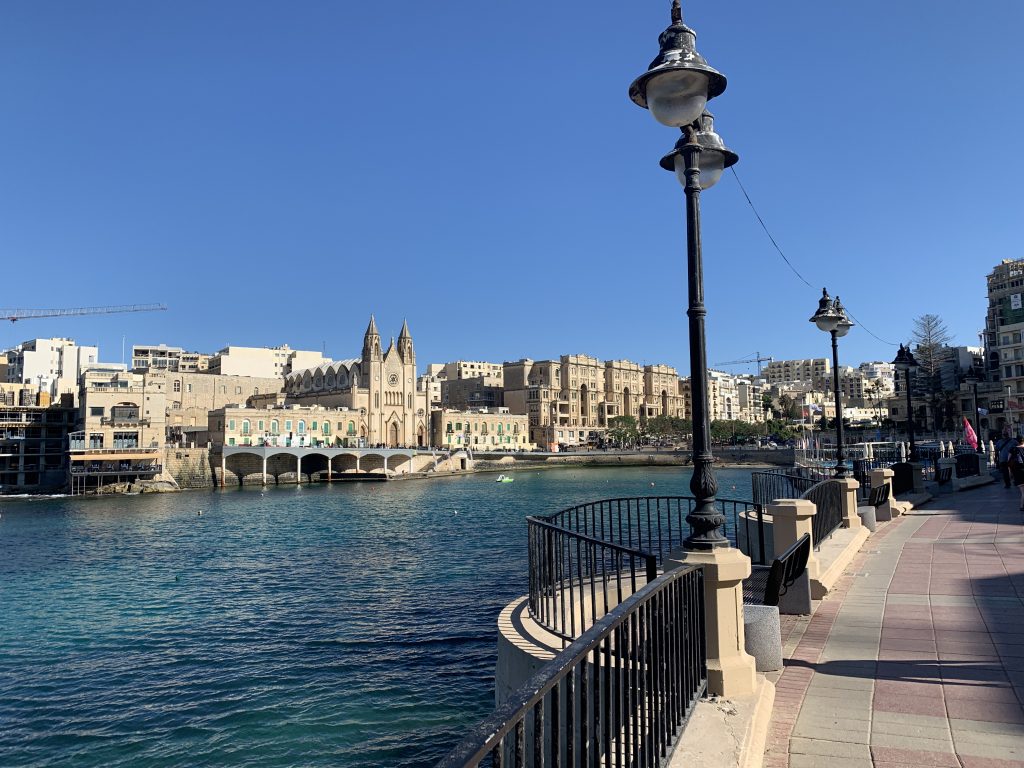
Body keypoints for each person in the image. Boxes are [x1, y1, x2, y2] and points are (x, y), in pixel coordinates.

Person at [1012, 436, 1024, 510]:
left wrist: (1011, 472)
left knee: (1022, 491)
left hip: (1018, 471)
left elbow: (1009, 461)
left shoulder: (1013, 449)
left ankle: (1021, 506)